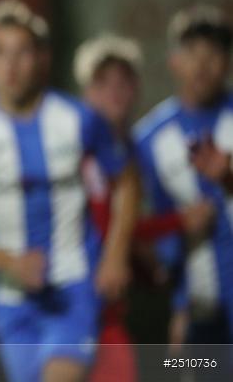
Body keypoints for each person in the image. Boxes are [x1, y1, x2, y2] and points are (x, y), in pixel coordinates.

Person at [0, 0, 139, 382]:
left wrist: (114, 255)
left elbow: (126, 179)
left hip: (74, 288)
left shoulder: (77, 119)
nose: (11, 65)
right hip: (11, 299)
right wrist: (8, 262)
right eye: (0, 52)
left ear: (41, 59)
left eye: (22, 52)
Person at [74, 34, 214, 382]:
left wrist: (150, 263)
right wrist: (178, 222)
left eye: (123, 82)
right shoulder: (75, 149)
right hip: (76, 309)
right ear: (85, 92)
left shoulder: (134, 148)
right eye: (102, 83)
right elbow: (107, 225)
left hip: (116, 306)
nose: (114, 92)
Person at [134, 6, 233, 369]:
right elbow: (158, 228)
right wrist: (178, 308)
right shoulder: (149, 138)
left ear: (228, 62)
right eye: (192, 54)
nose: (202, 66)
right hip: (201, 311)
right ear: (174, 61)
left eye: (213, 54)